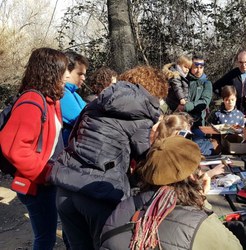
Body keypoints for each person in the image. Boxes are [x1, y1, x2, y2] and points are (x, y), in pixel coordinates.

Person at [49, 65, 168, 249]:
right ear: (154, 93)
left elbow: (74, 137)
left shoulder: (96, 102)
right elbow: (147, 160)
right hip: (98, 193)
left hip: (66, 188)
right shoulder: (141, 116)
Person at [100, 136, 243, 250]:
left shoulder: (122, 208)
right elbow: (235, 246)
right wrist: (203, 203)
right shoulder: (197, 224)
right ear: (192, 176)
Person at [0, 47, 69, 250]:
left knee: (49, 235)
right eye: (63, 69)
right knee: (45, 238)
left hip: (46, 182)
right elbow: (14, 149)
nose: (66, 74)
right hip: (36, 185)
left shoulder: (50, 101)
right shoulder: (32, 101)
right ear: (49, 71)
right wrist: (47, 173)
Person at [60, 51, 89, 146]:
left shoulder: (74, 94)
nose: (83, 78)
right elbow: (83, 121)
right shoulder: (61, 94)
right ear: (66, 71)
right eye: (80, 74)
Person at [183, 54, 213, 128]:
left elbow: (205, 102)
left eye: (201, 67)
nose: (199, 70)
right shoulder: (183, 80)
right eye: (196, 67)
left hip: (198, 122)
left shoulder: (206, 83)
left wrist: (187, 106)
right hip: (181, 120)